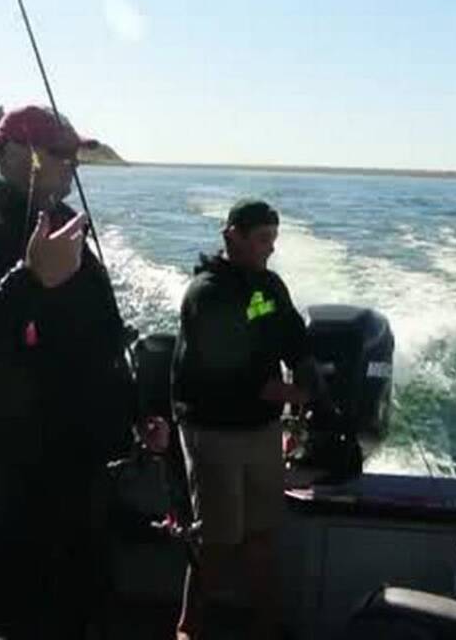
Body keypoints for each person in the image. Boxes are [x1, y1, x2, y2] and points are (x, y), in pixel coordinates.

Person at [0, 105, 167, 638]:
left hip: (76, 464)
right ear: (15, 156)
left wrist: (138, 410)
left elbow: (104, 336)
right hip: (12, 476)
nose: (72, 167)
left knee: (85, 598)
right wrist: (29, 279)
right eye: (60, 155)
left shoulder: (65, 232)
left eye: (76, 156)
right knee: (28, 613)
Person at [171, 199, 317, 640]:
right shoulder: (207, 294)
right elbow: (238, 374)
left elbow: (294, 338)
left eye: (273, 239)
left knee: (260, 536)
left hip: (260, 430)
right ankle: (188, 629)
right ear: (231, 236)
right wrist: (294, 394)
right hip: (213, 431)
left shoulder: (268, 287)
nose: (270, 249)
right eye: (261, 239)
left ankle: (265, 626)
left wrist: (311, 380)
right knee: (217, 543)